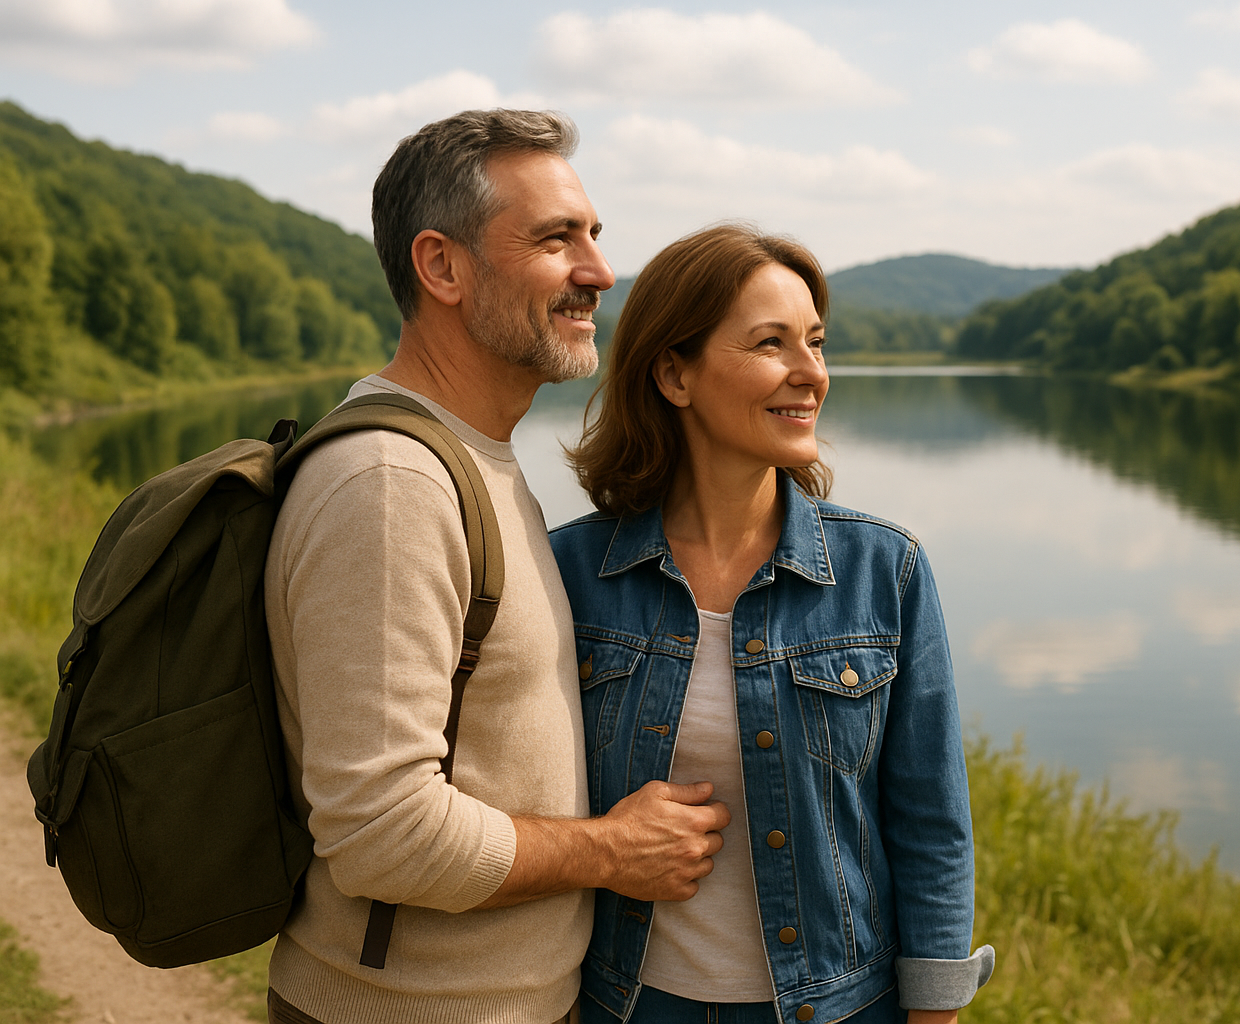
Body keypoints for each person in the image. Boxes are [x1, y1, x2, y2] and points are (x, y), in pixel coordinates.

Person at [264, 110, 731, 1024]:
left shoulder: (470, 456)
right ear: (441, 265)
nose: (598, 271)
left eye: (594, 237)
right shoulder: (394, 485)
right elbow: (382, 833)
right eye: (557, 240)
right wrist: (612, 850)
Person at [550, 224, 993, 1024]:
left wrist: (934, 1012)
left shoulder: (883, 571)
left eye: (816, 344)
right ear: (673, 374)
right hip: (626, 1006)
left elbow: (932, 827)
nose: (810, 374)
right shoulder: (573, 574)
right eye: (771, 344)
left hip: (843, 1008)